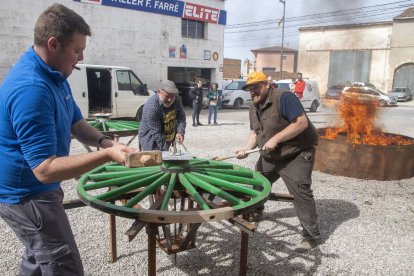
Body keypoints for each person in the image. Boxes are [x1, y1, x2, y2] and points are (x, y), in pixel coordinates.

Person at [0, 4, 136, 275]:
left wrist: (106, 142)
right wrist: (108, 156)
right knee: (63, 265)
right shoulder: (32, 89)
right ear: (53, 44)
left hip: (33, 190)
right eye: (77, 50)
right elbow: (45, 170)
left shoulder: (55, 75)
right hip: (27, 195)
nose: (81, 56)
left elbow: (76, 122)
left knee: (38, 259)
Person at [235, 71, 320, 251]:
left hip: (296, 153)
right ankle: (257, 211)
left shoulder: (284, 97)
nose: (253, 92)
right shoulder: (254, 106)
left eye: (256, 87)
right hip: (272, 155)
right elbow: (254, 133)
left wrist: (276, 139)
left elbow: (301, 123)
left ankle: (310, 236)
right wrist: (246, 150)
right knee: (258, 181)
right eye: (250, 89)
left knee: (300, 191)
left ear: (267, 84)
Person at [138, 80, 186, 151]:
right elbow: (157, 134)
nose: (170, 99)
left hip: (166, 138)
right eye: (167, 96)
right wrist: (167, 152)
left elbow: (181, 117)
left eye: (172, 96)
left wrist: (180, 132)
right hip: (151, 142)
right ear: (159, 92)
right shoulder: (152, 107)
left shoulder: (176, 99)